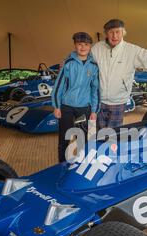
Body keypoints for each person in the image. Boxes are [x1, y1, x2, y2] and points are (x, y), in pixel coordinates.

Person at [91, 19, 147, 129]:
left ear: (123, 33)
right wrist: (68, 61)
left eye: (117, 32)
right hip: (98, 101)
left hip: (118, 101)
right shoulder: (97, 48)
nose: (114, 36)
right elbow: (83, 57)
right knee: (96, 132)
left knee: (113, 135)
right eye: (111, 32)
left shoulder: (131, 50)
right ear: (106, 33)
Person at [52, 32, 99, 162]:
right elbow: (58, 86)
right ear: (75, 45)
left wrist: (94, 110)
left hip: (84, 108)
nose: (83, 47)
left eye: (86, 45)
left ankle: (79, 163)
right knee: (64, 138)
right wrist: (56, 106)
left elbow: (95, 90)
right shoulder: (68, 63)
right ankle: (61, 164)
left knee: (81, 138)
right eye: (79, 44)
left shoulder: (94, 66)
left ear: (90, 46)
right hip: (66, 107)